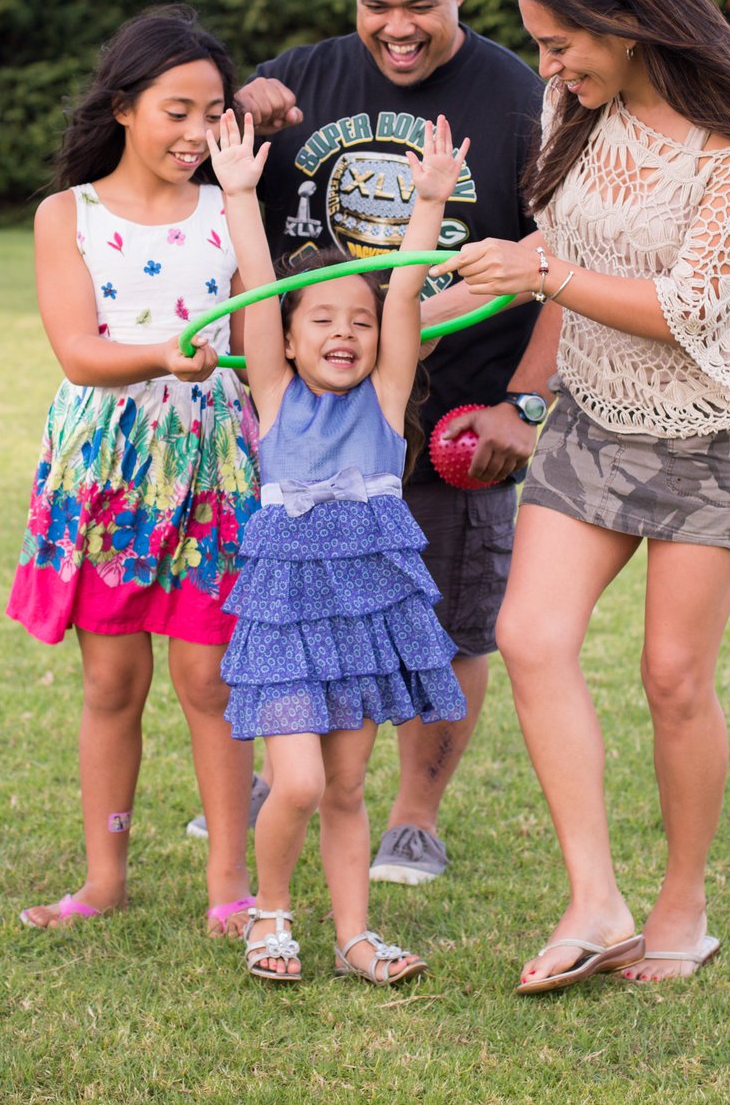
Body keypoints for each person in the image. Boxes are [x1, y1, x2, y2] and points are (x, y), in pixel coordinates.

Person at [438, 0, 730, 991]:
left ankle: (680, 908)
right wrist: (454, 313)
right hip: (598, 410)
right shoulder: (574, 102)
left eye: (561, 43)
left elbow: (689, 306)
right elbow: (561, 244)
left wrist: (543, 275)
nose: (546, 67)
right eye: (538, 46)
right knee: (529, 634)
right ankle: (594, 900)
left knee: (673, 677)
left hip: (720, 423)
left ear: (629, 19)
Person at [198, 0, 556, 888]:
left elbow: (563, 258)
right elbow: (210, 187)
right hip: (300, 422)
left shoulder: (518, 99)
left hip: (452, 415)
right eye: (375, 4)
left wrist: (523, 406)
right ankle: (287, 778)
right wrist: (236, 107)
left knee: (447, 620)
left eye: (419, 5)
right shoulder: (298, 79)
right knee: (296, 607)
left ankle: (413, 816)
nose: (396, 26)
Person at [6, 7, 261, 937]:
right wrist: (164, 355)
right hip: (110, 465)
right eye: (176, 111)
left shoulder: (230, 209)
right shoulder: (65, 214)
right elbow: (78, 352)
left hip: (213, 462)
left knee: (212, 680)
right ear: (123, 106)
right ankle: (103, 878)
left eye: (213, 114)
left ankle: (230, 886)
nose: (197, 134)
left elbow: (262, 339)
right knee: (113, 680)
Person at [207, 109, 470, 984]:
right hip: (287, 617)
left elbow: (405, 292)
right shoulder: (275, 395)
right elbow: (257, 283)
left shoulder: (385, 400)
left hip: (361, 619)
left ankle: (355, 935)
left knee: (348, 785)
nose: (344, 333)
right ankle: (270, 914)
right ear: (285, 339)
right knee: (299, 784)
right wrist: (240, 195)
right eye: (321, 318)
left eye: (358, 320)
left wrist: (428, 203)